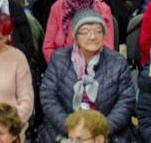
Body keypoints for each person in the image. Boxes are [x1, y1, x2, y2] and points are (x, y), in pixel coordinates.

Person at [39, 10, 134, 143]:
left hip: (106, 133)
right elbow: (48, 96)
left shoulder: (117, 62)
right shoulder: (59, 59)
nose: (93, 36)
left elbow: (126, 101)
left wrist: (101, 130)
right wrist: (71, 129)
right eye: (85, 32)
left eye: (98, 31)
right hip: (63, 130)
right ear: (75, 36)